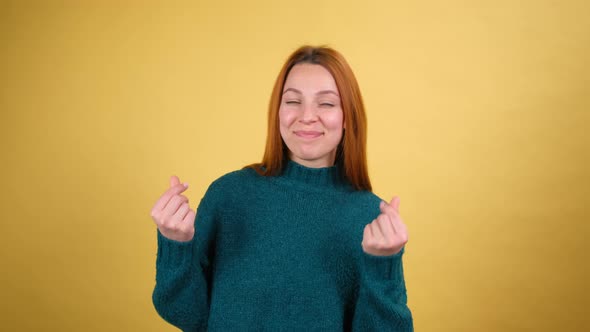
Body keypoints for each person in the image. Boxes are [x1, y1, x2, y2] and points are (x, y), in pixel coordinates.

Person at [150, 45, 414, 331]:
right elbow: (186, 313)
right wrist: (174, 243)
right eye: (292, 102)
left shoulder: (369, 220)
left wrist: (383, 266)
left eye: (326, 103)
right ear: (277, 113)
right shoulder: (228, 196)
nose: (307, 116)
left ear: (347, 117)